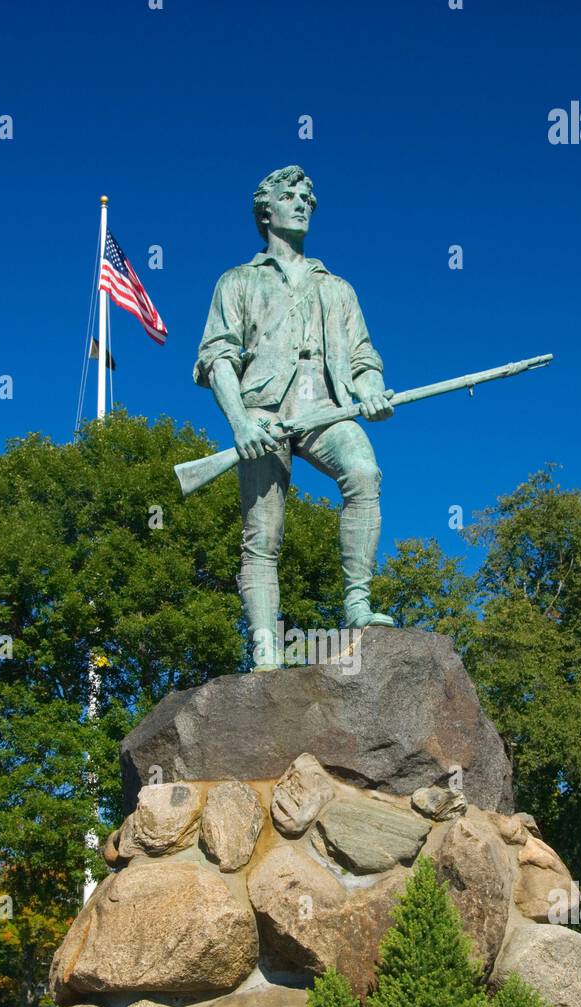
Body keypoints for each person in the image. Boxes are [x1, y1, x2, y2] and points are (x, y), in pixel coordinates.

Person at [194, 165, 394, 668]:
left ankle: (357, 603)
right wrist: (240, 422)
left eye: (309, 197)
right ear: (267, 211)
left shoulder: (338, 287)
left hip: (325, 407)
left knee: (364, 472)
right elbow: (217, 356)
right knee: (262, 536)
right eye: (291, 196)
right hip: (262, 415)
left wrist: (370, 391)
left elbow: (364, 358)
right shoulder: (237, 281)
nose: (303, 203)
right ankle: (265, 643)